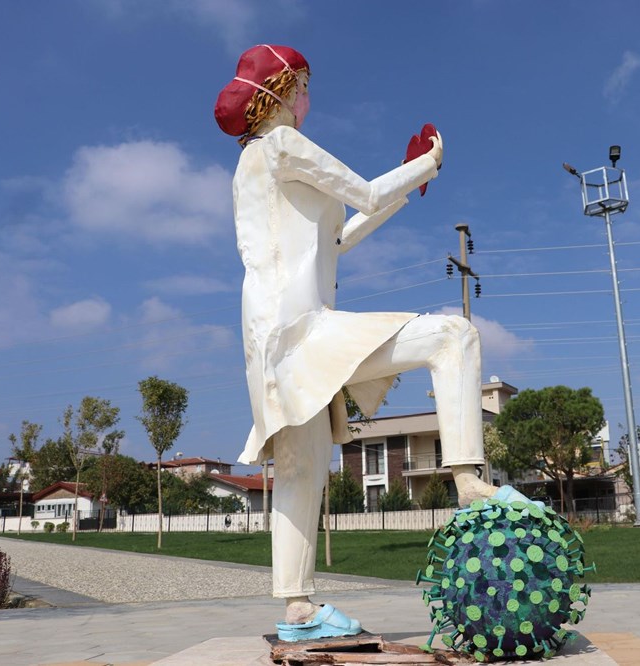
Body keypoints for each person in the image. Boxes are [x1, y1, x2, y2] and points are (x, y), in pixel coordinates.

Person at [214, 44, 499, 641]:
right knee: (454, 335)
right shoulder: (283, 144)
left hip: (270, 338)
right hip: (302, 328)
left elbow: (339, 235)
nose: (308, 99)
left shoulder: (252, 166)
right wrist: (428, 165)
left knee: (301, 467)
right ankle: (470, 482)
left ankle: (297, 608)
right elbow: (363, 193)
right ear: (282, 91)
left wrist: (401, 187)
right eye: (304, 87)